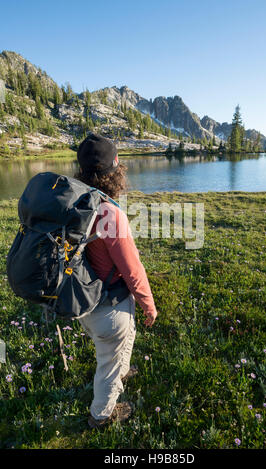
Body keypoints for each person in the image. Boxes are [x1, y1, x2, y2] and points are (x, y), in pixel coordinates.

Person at [74, 133, 158, 428]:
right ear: (117, 165)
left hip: (85, 299)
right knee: (107, 366)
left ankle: (122, 370)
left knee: (119, 346)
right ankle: (101, 416)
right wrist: (149, 305)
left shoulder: (75, 205)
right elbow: (132, 269)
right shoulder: (109, 213)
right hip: (109, 308)